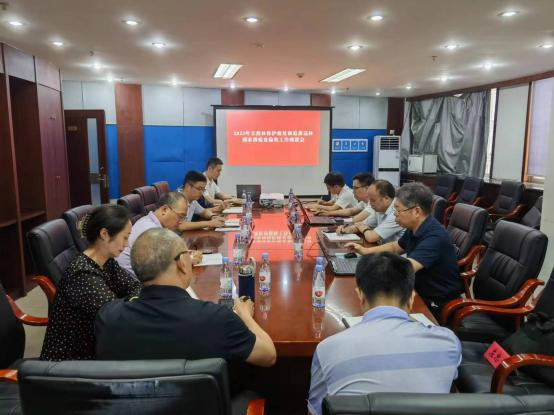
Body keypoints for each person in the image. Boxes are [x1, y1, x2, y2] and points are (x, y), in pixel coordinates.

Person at [95, 228, 277, 368]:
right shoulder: (216, 318)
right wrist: (245, 314)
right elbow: (268, 355)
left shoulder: (109, 317)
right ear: (182, 263)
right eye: (188, 254)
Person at [308, 253, 461, 415]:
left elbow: (315, 411)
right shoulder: (448, 342)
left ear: (360, 295)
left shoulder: (328, 349)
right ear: (411, 298)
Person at [346, 182, 463, 318]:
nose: (395, 214)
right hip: (414, 290)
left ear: (416, 211)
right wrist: (364, 251)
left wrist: (368, 269)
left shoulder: (434, 237)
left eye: (398, 210)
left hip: (435, 302)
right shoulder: (416, 227)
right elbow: (395, 247)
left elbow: (405, 269)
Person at [40, 204, 141, 361]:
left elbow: (134, 286)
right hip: (70, 361)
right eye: (125, 237)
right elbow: (117, 318)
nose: (126, 244)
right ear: (104, 234)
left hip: (96, 345)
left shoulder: (106, 261)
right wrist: (134, 302)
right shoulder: (82, 274)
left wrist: (133, 300)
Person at [117, 191, 202, 276]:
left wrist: (185, 254)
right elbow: (159, 268)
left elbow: (166, 254)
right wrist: (186, 260)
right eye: (180, 216)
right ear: (164, 210)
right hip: (133, 280)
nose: (181, 222)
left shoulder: (152, 223)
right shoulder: (150, 230)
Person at [337, 180, 404, 244]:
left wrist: (363, 228)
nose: (370, 203)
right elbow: (361, 225)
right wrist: (347, 229)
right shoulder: (379, 209)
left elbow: (371, 237)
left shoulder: (396, 213)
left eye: (373, 200)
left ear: (386, 198)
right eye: (369, 200)